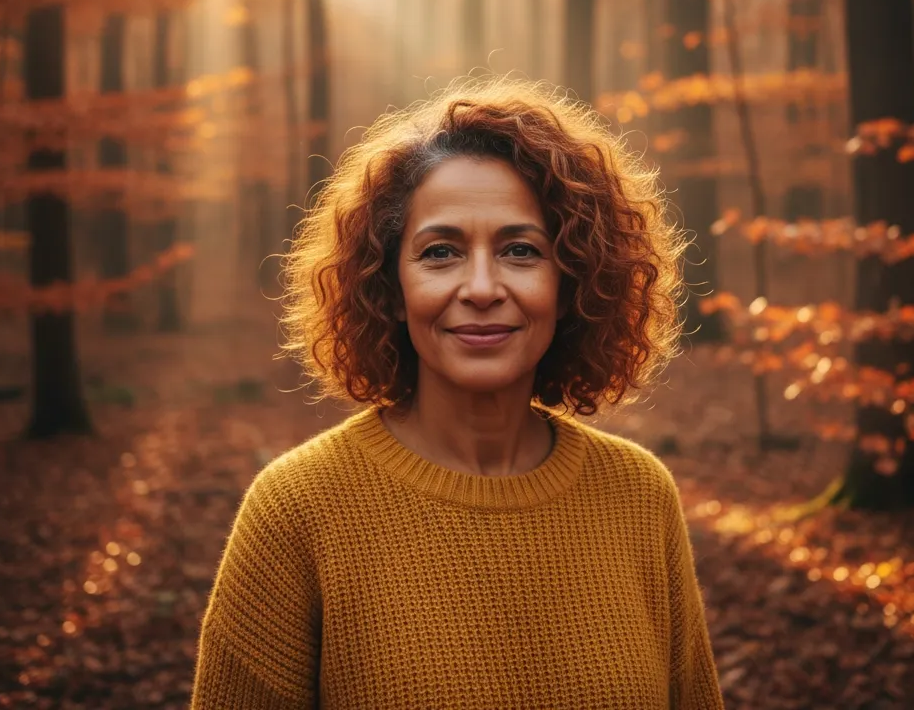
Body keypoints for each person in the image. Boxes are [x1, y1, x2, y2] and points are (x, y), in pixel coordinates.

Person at [190, 74, 725, 710]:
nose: (480, 288)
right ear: (387, 287)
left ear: (574, 279)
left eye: (520, 251)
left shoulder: (639, 495)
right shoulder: (298, 510)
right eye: (440, 252)